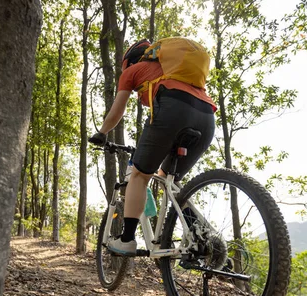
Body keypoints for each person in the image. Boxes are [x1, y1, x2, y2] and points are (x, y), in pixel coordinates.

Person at [89, 39, 216, 256]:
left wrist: (101, 133)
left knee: (139, 175)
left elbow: (117, 111)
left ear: (128, 62)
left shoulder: (133, 71)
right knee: (172, 181)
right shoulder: (172, 71)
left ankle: (126, 240)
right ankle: (200, 236)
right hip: (207, 115)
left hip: (173, 108)